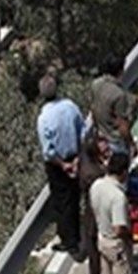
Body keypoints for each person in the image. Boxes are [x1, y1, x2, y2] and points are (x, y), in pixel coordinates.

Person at [36, 74, 83, 257]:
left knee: (62, 203)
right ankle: (77, 234)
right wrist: (77, 158)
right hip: (75, 157)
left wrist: (63, 165)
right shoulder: (70, 106)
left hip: (58, 165)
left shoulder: (44, 117)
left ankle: (70, 243)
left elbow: (48, 150)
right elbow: (82, 130)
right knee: (75, 197)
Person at [90, 153, 132, 274]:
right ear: (123, 172)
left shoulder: (96, 185)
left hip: (102, 239)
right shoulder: (118, 197)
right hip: (116, 245)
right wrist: (129, 236)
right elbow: (118, 228)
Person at [79, 134, 111, 274]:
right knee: (98, 259)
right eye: (104, 147)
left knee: (96, 259)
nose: (108, 149)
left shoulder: (90, 164)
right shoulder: (95, 174)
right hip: (95, 220)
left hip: (92, 219)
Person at [91, 54, 137, 156]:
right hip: (115, 141)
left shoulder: (96, 84)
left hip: (102, 136)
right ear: (120, 71)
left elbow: (93, 109)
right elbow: (122, 125)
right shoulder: (119, 95)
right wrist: (132, 144)